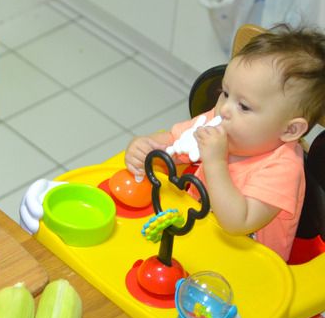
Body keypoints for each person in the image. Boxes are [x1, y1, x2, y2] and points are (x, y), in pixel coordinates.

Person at [125, 24, 325, 261]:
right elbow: (171, 143)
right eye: (226, 93)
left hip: (247, 268)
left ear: (290, 129)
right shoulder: (222, 122)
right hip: (196, 239)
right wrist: (145, 147)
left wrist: (216, 162)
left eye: (244, 106)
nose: (225, 109)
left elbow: (237, 222)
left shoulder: (282, 169)